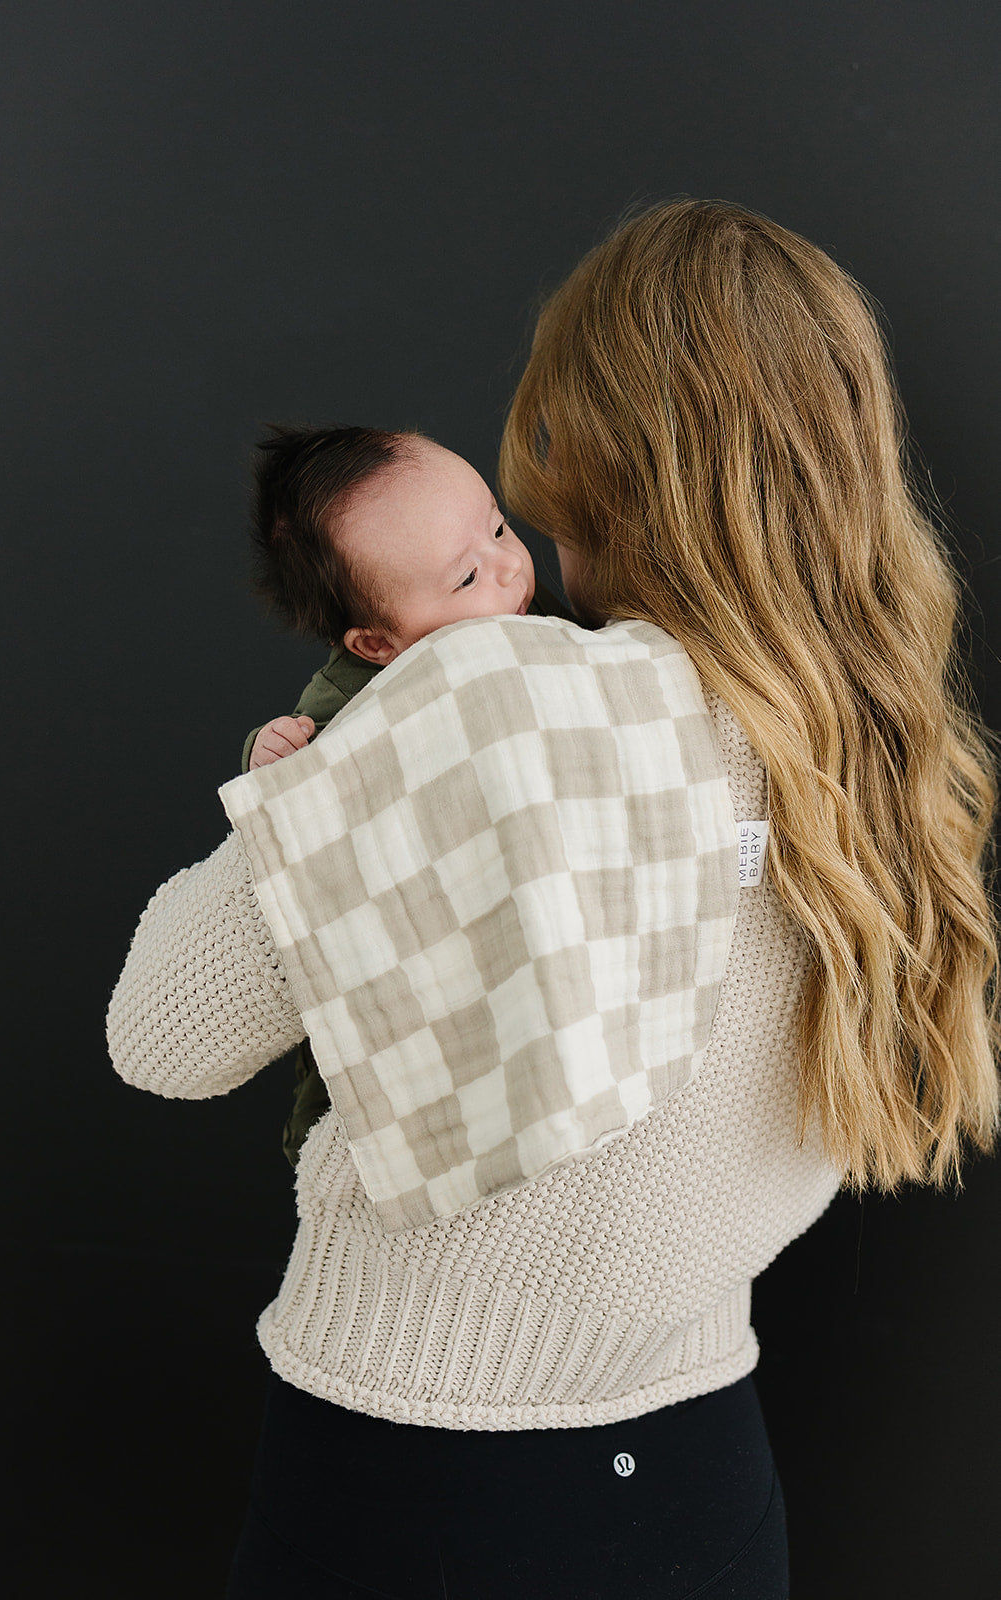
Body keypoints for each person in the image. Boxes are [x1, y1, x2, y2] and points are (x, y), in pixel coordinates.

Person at [106, 199, 1000, 1599]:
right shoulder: (881, 753)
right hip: (703, 1476)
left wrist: (309, 785)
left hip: (425, 1480)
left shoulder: (491, 704)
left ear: (589, 455)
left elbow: (158, 1038)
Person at [239, 425, 574, 1172]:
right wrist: (276, 758)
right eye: (465, 578)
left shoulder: (522, 610)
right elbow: (299, 795)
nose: (509, 568)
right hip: (393, 943)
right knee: (355, 1039)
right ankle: (321, 1132)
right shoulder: (351, 696)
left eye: (497, 525)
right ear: (377, 645)